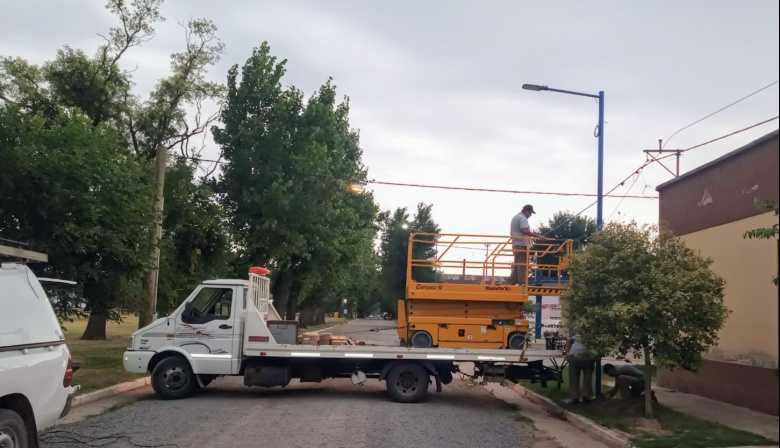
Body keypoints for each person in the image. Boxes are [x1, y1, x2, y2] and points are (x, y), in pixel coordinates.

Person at [508, 204, 544, 285]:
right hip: (521, 244)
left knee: (517, 265)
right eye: (530, 213)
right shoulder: (522, 218)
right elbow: (524, 230)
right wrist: (538, 236)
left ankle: (510, 283)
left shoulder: (516, 217)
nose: (530, 215)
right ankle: (522, 283)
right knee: (522, 264)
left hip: (516, 244)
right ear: (526, 211)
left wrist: (533, 234)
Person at [564, 333, 596, 404]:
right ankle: (586, 396)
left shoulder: (577, 333)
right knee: (587, 377)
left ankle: (574, 397)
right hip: (587, 356)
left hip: (574, 356)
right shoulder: (593, 334)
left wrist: (567, 353)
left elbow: (568, 340)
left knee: (573, 377)